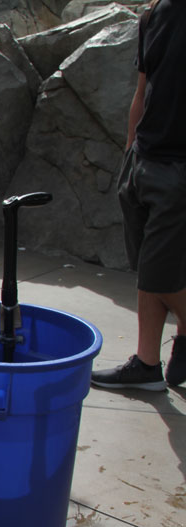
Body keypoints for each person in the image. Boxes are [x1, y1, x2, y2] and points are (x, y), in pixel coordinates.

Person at [91, 0, 186, 392]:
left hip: (180, 169)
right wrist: (130, 154)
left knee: (158, 272)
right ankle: (148, 363)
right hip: (144, 161)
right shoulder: (155, 15)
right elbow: (143, 89)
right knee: (150, 270)